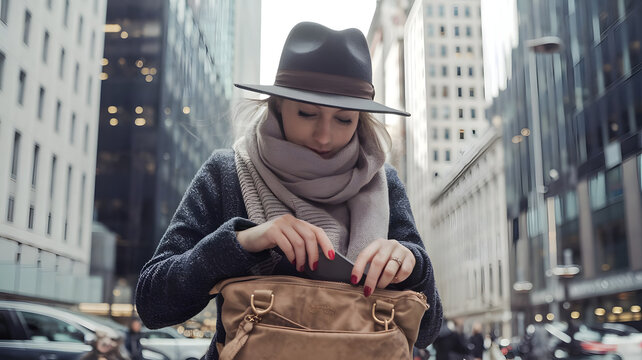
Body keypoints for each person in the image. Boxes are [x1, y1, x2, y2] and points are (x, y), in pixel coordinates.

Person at [135, 21, 443, 359]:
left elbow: (427, 331)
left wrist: (413, 265)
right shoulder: (227, 172)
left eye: (344, 119)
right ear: (278, 105)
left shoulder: (384, 182)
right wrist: (244, 241)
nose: (324, 136)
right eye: (307, 113)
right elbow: (153, 304)